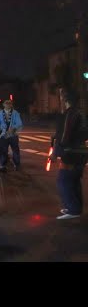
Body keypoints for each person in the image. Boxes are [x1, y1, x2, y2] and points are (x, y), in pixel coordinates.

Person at [50, 89, 87, 220]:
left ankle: (72, 210)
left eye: (61, 96)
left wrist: (55, 153)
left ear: (65, 100)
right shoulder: (82, 113)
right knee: (74, 181)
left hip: (71, 153)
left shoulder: (70, 114)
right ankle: (75, 208)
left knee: (63, 181)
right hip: (82, 152)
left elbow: (65, 136)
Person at [0, 99, 23, 172]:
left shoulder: (15, 113)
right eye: (6, 103)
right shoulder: (0, 114)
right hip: (4, 134)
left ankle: (17, 164)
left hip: (13, 134)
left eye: (9, 103)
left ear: (11, 105)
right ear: (4, 105)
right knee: (3, 150)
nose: (8, 105)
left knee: (15, 150)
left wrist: (14, 127)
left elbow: (19, 123)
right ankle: (3, 165)